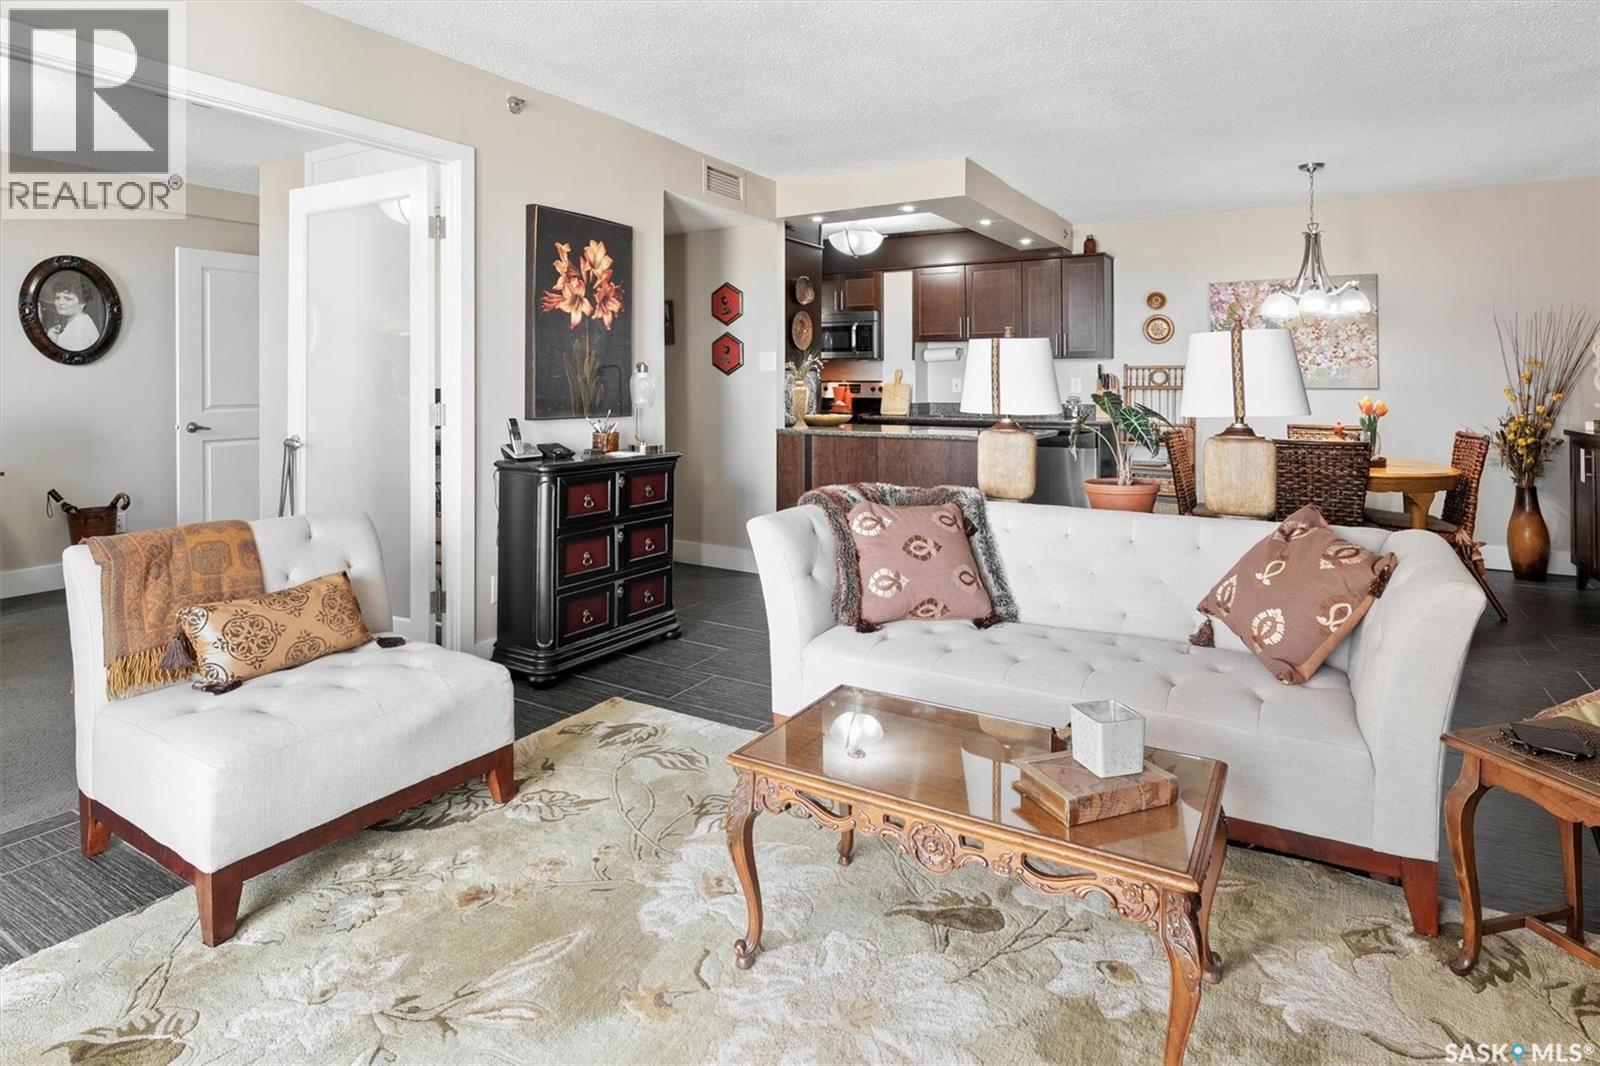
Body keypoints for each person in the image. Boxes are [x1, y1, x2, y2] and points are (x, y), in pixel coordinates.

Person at [46, 275, 100, 351]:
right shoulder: (77, 322)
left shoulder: (80, 327)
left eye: (68, 299)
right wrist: (54, 340)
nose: (60, 302)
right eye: (57, 298)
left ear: (82, 303)